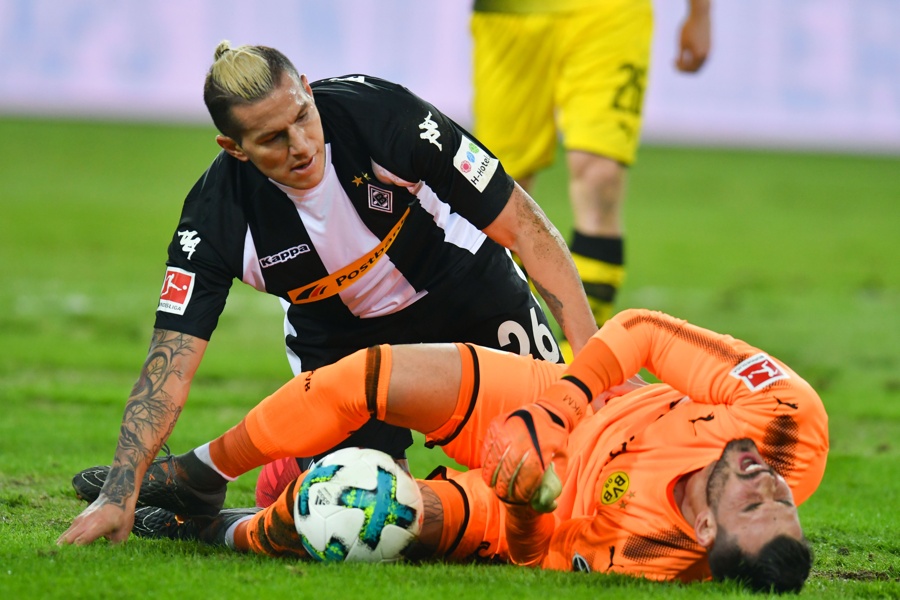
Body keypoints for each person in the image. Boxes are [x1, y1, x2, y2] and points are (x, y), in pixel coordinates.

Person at [77, 40, 599, 531]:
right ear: (233, 148)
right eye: (271, 139)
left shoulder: (383, 116)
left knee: (564, 462)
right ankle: (227, 518)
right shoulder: (216, 219)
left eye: (302, 116)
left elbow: (526, 227)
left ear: (306, 87)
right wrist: (121, 492)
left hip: (466, 288)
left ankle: (278, 463)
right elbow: (169, 362)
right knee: (375, 520)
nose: (301, 145)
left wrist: (596, 369)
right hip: (340, 342)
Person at [61, 309, 828, 592]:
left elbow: (534, 553)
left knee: (372, 510)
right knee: (368, 376)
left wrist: (524, 496)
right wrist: (557, 409)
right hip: (574, 399)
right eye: (783, 498)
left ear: (703, 536)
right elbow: (642, 332)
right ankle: (196, 476)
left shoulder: (650, 557)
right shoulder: (789, 422)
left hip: (514, 504)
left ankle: (217, 529)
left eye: (754, 503)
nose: (768, 480)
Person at [471, 0, 712, 327]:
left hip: (608, 14)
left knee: (601, 178)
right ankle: (513, 338)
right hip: (508, 15)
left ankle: (581, 356)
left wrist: (700, 13)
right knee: (495, 188)